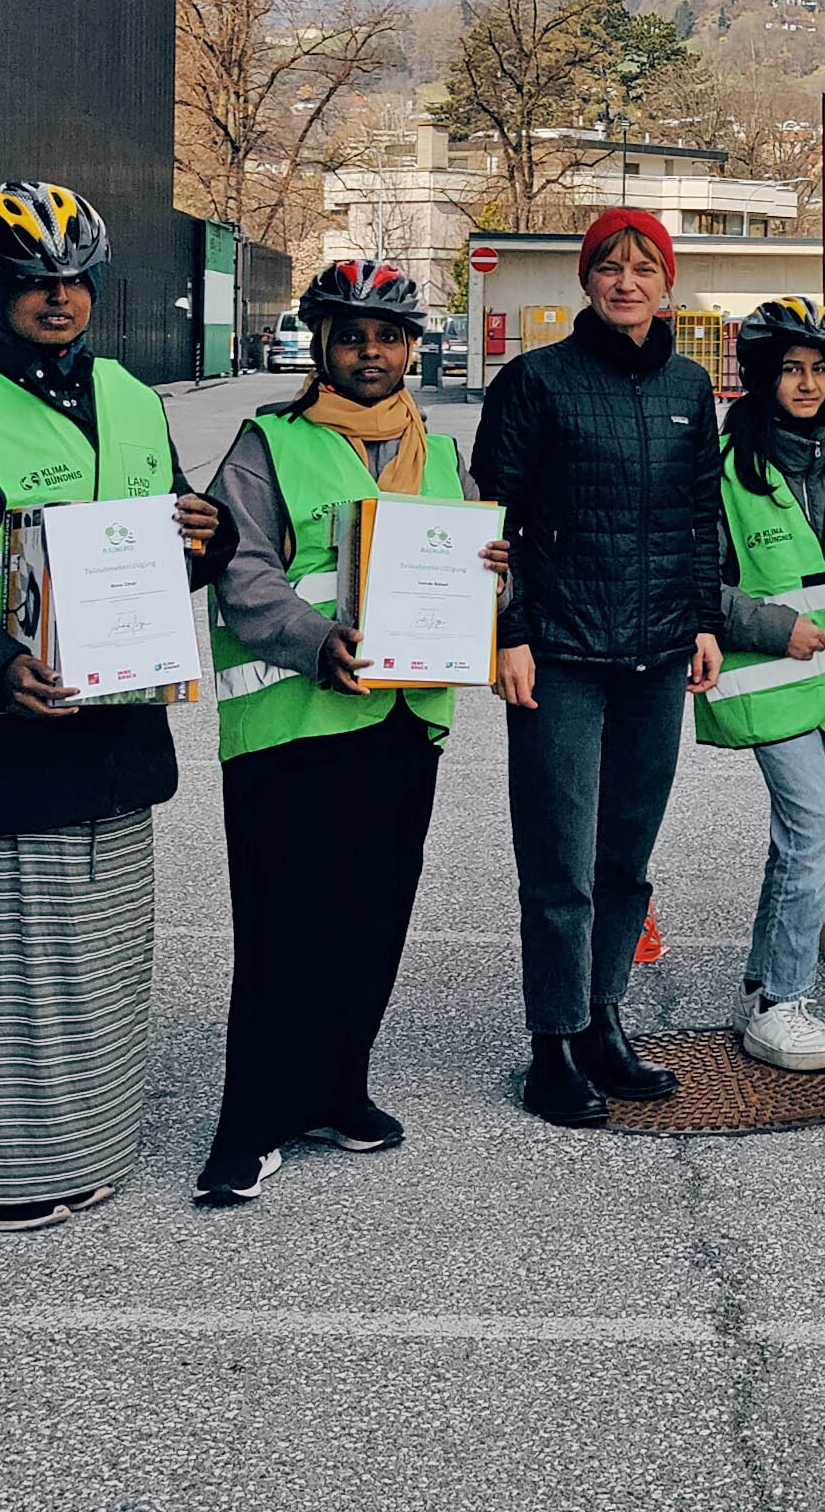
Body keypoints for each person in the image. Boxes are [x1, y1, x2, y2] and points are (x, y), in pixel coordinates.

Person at [0, 183, 231, 1230]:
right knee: (11, 971)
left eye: (72, 280)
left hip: (117, 734)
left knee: (97, 964)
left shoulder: (132, 398)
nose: (57, 300)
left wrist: (209, 543)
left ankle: (87, 1146)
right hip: (1, 736)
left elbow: (168, 551)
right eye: (31, 283)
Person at [197, 259, 506, 1206]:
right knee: (285, 926)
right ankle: (247, 1125)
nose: (370, 352)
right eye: (350, 336)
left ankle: (337, 1090)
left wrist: (497, 572)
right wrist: (313, 639)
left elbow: (474, 575)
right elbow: (242, 574)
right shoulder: (268, 442)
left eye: (388, 336)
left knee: (373, 916)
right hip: (294, 719)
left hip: (405, 715)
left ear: (414, 349)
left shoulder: (444, 453)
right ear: (322, 347)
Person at [470, 207, 724, 1127]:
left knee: (625, 852)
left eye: (643, 266)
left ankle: (605, 1019)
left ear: (667, 282)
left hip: (656, 655)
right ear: (586, 280)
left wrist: (701, 620)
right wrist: (508, 632)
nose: (626, 281)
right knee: (559, 858)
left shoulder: (692, 388)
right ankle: (552, 1045)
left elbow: (702, 519)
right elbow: (493, 521)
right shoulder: (534, 382)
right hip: (562, 656)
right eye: (609, 266)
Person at [700, 296, 825, 1074]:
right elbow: (693, 579)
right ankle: (782, 1003)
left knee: (802, 838)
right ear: (758, 376)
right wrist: (775, 628)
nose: (806, 384)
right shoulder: (721, 465)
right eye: (789, 370)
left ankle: (764, 973)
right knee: (817, 835)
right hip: (766, 678)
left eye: (817, 370)